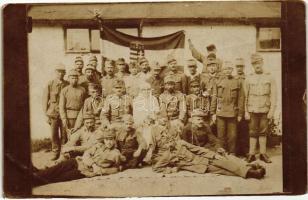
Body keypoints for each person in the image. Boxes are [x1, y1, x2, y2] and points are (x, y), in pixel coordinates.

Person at [147, 113, 266, 179]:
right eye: (167, 141)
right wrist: (172, 169)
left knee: (223, 162)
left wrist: (213, 155)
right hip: (199, 167)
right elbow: (156, 168)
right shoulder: (167, 155)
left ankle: (249, 171)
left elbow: (198, 149)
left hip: (205, 159)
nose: (170, 142)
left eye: (171, 139)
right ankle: (250, 172)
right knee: (224, 170)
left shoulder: (181, 143)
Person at [32, 129, 126, 186]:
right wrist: (94, 164)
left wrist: (100, 170)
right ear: (104, 140)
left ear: (114, 140)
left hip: (84, 172)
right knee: (56, 169)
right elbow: (86, 154)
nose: (109, 142)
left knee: (59, 178)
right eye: (107, 139)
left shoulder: (115, 154)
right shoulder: (98, 145)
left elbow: (116, 168)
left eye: (111, 139)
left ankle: (34, 179)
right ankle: (33, 176)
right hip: (77, 162)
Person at [245, 53, 277, 163]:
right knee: (252, 132)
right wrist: (246, 111)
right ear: (252, 65)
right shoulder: (249, 78)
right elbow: (245, 96)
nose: (257, 65)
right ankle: (252, 154)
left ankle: (263, 154)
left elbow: (274, 95)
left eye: (258, 63)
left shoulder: (270, 77)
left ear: (262, 63)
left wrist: (272, 111)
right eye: (254, 64)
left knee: (263, 132)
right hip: (252, 109)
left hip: (264, 109)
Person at [213, 61, 245, 155]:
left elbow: (241, 98)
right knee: (221, 135)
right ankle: (222, 153)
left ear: (232, 70)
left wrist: (240, 114)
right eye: (226, 69)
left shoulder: (237, 82)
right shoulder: (218, 81)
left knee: (232, 135)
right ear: (223, 70)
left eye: (229, 69)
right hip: (220, 112)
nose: (227, 71)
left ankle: (232, 153)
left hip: (232, 112)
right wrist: (213, 113)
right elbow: (215, 98)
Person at [42, 63, 69, 160]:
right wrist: (46, 114)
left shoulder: (67, 84)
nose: (61, 74)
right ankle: (55, 152)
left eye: (62, 72)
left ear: (65, 73)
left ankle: (64, 152)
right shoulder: (51, 84)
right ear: (55, 72)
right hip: (53, 112)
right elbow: (45, 99)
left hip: (64, 112)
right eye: (59, 72)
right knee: (54, 134)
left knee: (64, 134)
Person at [59, 69, 87, 143]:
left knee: (79, 136)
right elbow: (61, 107)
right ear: (68, 78)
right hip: (69, 117)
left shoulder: (82, 90)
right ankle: (65, 153)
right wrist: (64, 119)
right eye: (72, 78)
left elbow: (85, 104)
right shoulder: (65, 90)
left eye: (76, 78)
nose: (74, 80)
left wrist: (83, 116)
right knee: (66, 137)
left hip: (80, 116)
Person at [234, 58, 249, 156]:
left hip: (246, 107)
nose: (239, 68)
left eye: (241, 66)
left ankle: (245, 151)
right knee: (235, 130)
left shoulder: (247, 78)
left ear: (244, 67)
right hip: (236, 108)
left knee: (245, 130)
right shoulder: (233, 78)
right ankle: (236, 151)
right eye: (237, 66)